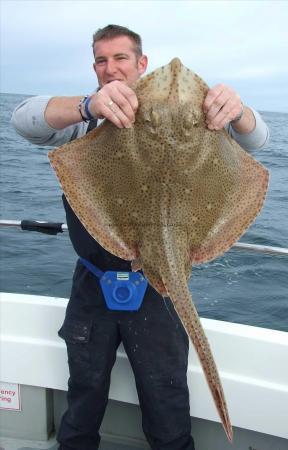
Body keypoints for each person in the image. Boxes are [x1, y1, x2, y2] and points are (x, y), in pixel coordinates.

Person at [11, 24, 269, 450]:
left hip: (160, 290)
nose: (110, 69)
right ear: (94, 68)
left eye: (121, 58)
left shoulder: (206, 120)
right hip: (93, 283)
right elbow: (24, 119)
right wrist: (88, 105)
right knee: (84, 395)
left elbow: (258, 141)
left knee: (166, 406)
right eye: (101, 60)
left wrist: (237, 112)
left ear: (141, 64)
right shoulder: (88, 120)